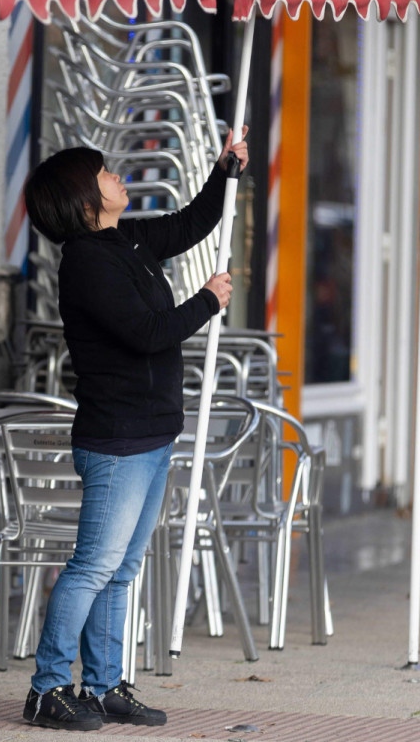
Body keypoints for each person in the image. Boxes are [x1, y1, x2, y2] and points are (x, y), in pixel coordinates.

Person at [20, 129, 249, 731]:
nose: (115, 175)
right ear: (82, 197)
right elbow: (148, 333)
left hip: (152, 434)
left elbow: (188, 225)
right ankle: (47, 689)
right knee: (93, 566)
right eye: (103, 172)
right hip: (117, 440)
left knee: (121, 570)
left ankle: (102, 685)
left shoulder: (124, 240)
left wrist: (224, 170)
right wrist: (206, 300)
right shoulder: (88, 265)